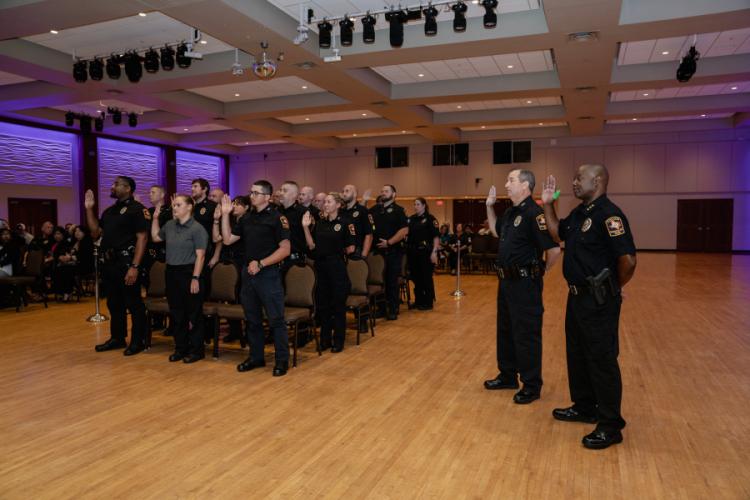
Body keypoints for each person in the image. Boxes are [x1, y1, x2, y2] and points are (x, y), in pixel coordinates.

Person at [541, 164, 637, 450]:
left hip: (598, 301)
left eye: (579, 178)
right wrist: (548, 205)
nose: (573, 182)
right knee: (578, 354)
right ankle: (585, 407)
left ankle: (610, 425)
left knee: (601, 359)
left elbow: (628, 261)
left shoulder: (610, 215)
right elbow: (558, 233)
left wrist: (612, 289)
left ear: (597, 181)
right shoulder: (581, 214)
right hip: (576, 298)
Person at [482, 170, 561, 406]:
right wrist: (489, 207)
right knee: (505, 331)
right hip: (506, 282)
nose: (506, 184)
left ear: (525, 185)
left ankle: (531, 385)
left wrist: (542, 270)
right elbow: (496, 232)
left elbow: (554, 250)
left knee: (526, 334)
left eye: (511, 180)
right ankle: (508, 376)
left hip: (525, 283)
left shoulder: (534, 214)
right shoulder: (509, 212)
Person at [220, 181, 291, 377]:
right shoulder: (246, 217)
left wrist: (261, 263)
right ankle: (256, 357)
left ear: (267, 197)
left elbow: (285, 249)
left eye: (256, 193)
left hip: (267, 274)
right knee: (252, 320)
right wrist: (226, 215)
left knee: (276, 320)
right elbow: (227, 240)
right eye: (251, 192)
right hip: (248, 274)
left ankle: (281, 360)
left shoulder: (278, 218)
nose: (251, 195)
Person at [84, 176, 149, 355]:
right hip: (110, 264)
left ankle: (138, 341)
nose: (112, 187)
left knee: (134, 304)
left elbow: (142, 238)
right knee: (114, 304)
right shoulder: (109, 211)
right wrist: (89, 209)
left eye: (116, 184)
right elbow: (96, 233)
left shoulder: (137, 210)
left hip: (127, 263)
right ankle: (117, 338)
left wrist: (135, 266)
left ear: (128, 188)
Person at [151, 194, 208, 363]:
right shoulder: (169, 225)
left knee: (194, 314)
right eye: (174, 205)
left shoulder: (197, 228)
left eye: (178, 205)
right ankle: (181, 348)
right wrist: (155, 218)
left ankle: (197, 350)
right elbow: (155, 238)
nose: (174, 208)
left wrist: (195, 278)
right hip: (172, 273)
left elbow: (201, 256)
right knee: (177, 314)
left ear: (189, 207)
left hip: (190, 273)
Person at [302, 193, 356, 352]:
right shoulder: (320, 224)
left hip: (337, 266)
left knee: (338, 306)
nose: (325, 204)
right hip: (321, 266)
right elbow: (311, 246)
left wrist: (335, 253)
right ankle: (325, 339)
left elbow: (351, 247)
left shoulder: (346, 222)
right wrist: (305, 227)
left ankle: (338, 340)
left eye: (329, 201)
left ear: (338, 205)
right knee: (323, 305)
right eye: (324, 202)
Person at [213, 195, 250, 343]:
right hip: (229, 259)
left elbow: (229, 240)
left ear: (247, 207)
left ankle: (248, 332)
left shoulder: (248, 220)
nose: (234, 206)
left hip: (243, 261)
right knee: (229, 297)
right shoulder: (230, 220)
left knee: (244, 298)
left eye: (238, 204)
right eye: (233, 203)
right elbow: (218, 239)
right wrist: (217, 220)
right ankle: (235, 331)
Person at [370, 184, 408, 320]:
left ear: (394, 194)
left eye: (386, 191)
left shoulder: (399, 210)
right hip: (377, 253)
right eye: (382, 191)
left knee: (391, 281)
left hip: (393, 251)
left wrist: (389, 242)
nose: (383, 193)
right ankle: (381, 308)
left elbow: (404, 230)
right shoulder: (375, 210)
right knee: (380, 281)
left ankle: (393, 308)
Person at [406, 198, 440, 311]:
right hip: (413, 253)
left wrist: (434, 252)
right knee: (416, 278)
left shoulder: (431, 219)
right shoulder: (411, 219)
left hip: (426, 252)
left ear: (424, 205)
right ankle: (418, 301)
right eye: (414, 204)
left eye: (418, 204)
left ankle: (428, 302)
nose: (416, 206)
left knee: (426, 278)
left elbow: (436, 237)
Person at [191, 178, 221, 275]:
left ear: (204, 189)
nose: (192, 189)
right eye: (192, 186)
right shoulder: (191, 207)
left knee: (203, 283)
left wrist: (216, 256)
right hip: (190, 251)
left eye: (195, 186)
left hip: (207, 251)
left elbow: (219, 234)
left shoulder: (213, 206)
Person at [277, 181, 309, 271]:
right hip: (275, 260)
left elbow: (310, 241)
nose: (281, 193)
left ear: (294, 195)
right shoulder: (276, 211)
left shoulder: (303, 212)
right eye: (280, 190)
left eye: (285, 191)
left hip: (294, 262)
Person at [341, 184, 374, 260]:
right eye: (343, 191)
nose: (344, 194)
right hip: (343, 251)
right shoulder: (341, 211)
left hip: (357, 252)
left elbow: (369, 234)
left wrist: (364, 255)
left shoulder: (363, 210)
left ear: (355, 194)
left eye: (347, 191)